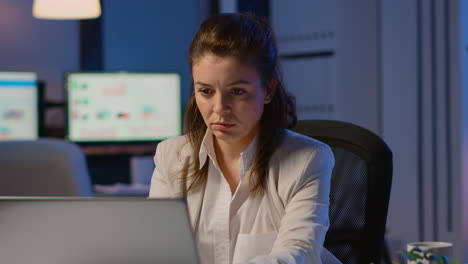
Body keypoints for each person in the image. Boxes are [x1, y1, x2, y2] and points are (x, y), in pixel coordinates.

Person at [149, 12, 338, 264]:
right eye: (205, 91)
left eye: (237, 91)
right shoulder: (171, 156)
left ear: (268, 90)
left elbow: (298, 252)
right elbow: (157, 250)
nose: (219, 107)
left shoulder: (309, 159)